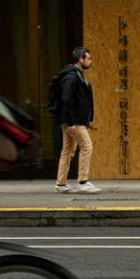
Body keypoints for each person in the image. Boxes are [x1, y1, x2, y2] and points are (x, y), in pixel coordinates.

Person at [54, 46, 99, 194]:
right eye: (88, 58)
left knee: (67, 150)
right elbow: (66, 99)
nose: (90, 61)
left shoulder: (76, 75)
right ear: (80, 59)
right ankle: (83, 181)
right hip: (74, 121)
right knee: (86, 146)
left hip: (73, 120)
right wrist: (71, 122)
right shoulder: (72, 76)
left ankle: (61, 183)